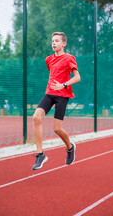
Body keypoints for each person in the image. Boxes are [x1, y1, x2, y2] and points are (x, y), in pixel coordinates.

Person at [32, 32, 80, 170]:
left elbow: (77, 77)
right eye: (52, 41)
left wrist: (64, 84)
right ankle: (40, 154)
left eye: (57, 41)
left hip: (62, 95)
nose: (54, 43)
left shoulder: (69, 58)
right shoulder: (49, 59)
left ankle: (70, 147)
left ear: (64, 43)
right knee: (36, 117)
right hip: (49, 93)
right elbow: (53, 73)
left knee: (57, 129)